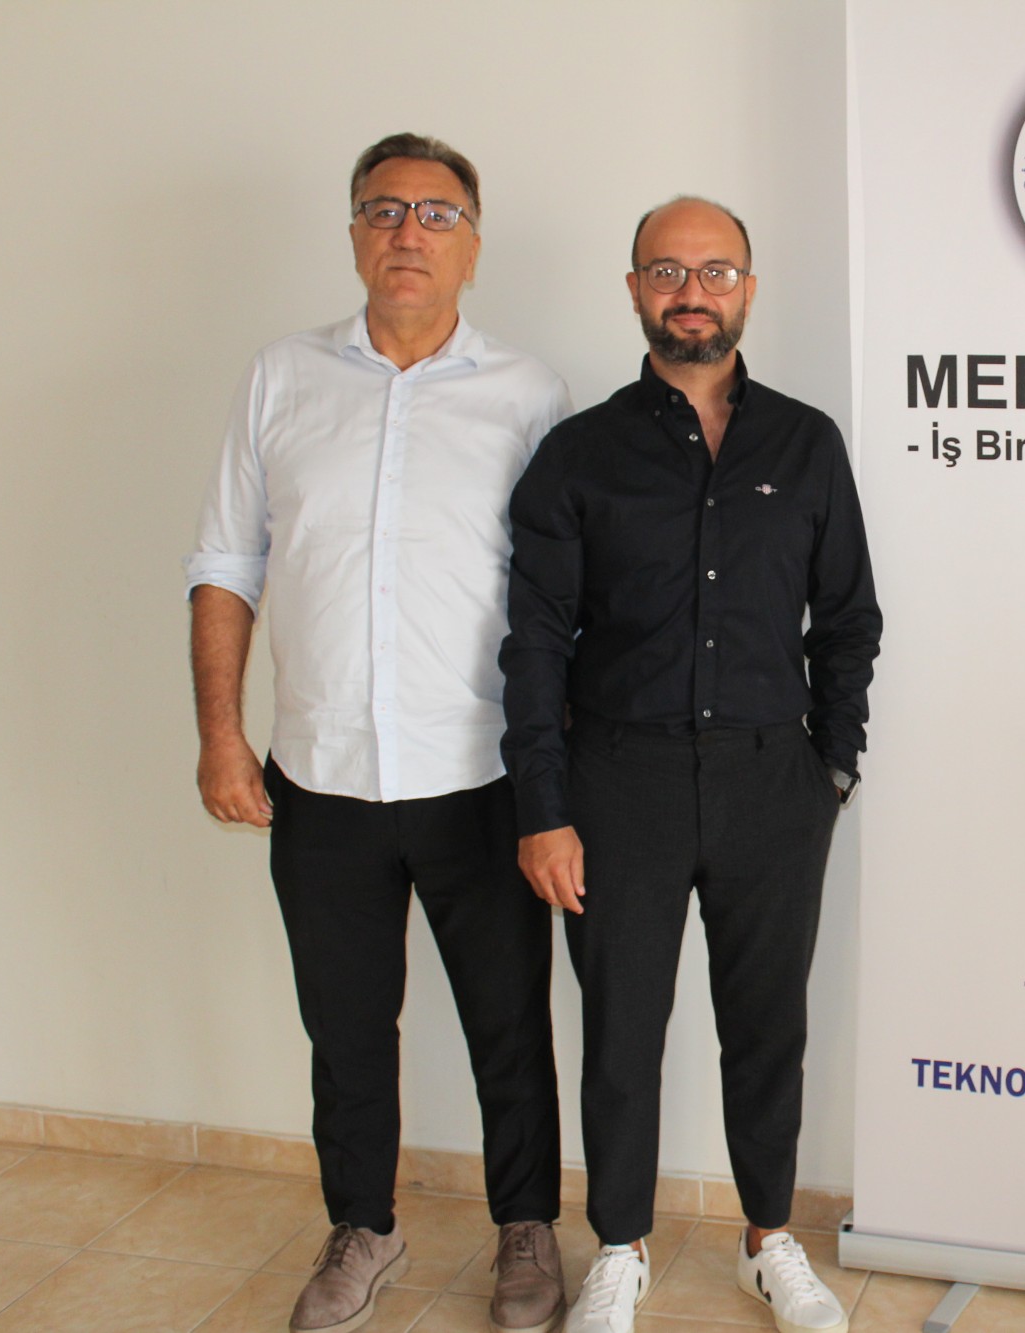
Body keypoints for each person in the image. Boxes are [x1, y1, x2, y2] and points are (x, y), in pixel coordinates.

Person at [186, 132, 572, 1333]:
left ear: (471, 245)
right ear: (354, 233)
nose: (409, 232)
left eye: (436, 213)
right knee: (345, 1028)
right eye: (384, 209)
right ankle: (362, 1224)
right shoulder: (281, 377)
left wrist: (558, 774)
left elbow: (561, 598)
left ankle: (525, 1228)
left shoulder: (530, 395)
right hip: (321, 775)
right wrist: (220, 734)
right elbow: (226, 562)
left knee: (509, 1023)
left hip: (479, 775)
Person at [501, 196, 879, 1333]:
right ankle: (619, 1248)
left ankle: (769, 1239)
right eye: (667, 271)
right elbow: (534, 642)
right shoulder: (578, 453)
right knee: (621, 1031)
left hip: (775, 783)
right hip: (619, 784)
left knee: (767, 1026)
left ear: (747, 290)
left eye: (715, 272)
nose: (691, 293)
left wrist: (830, 771)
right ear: (634, 290)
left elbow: (848, 618)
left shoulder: (806, 443)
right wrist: (543, 807)